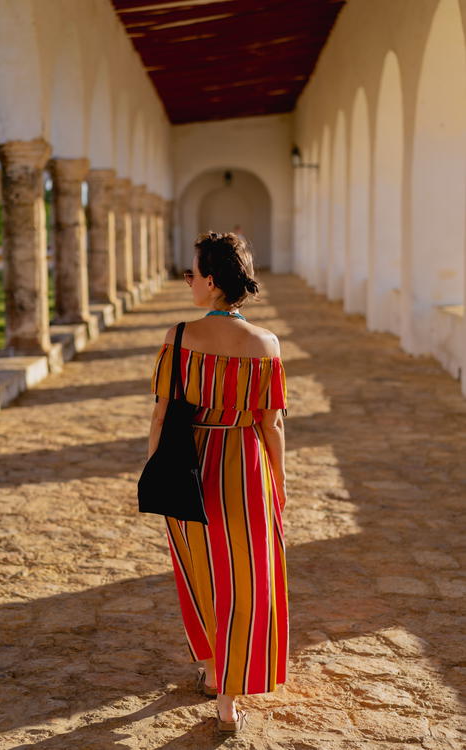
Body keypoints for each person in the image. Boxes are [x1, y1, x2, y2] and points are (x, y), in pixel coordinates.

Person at [147, 230, 288, 733]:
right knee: (244, 577)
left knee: (198, 568)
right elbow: (271, 424)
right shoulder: (266, 344)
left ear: (210, 280)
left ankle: (210, 667)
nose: (188, 282)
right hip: (246, 465)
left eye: (191, 273)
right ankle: (227, 701)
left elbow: (161, 416)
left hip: (189, 464)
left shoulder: (178, 337)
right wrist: (280, 478)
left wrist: (155, 469)